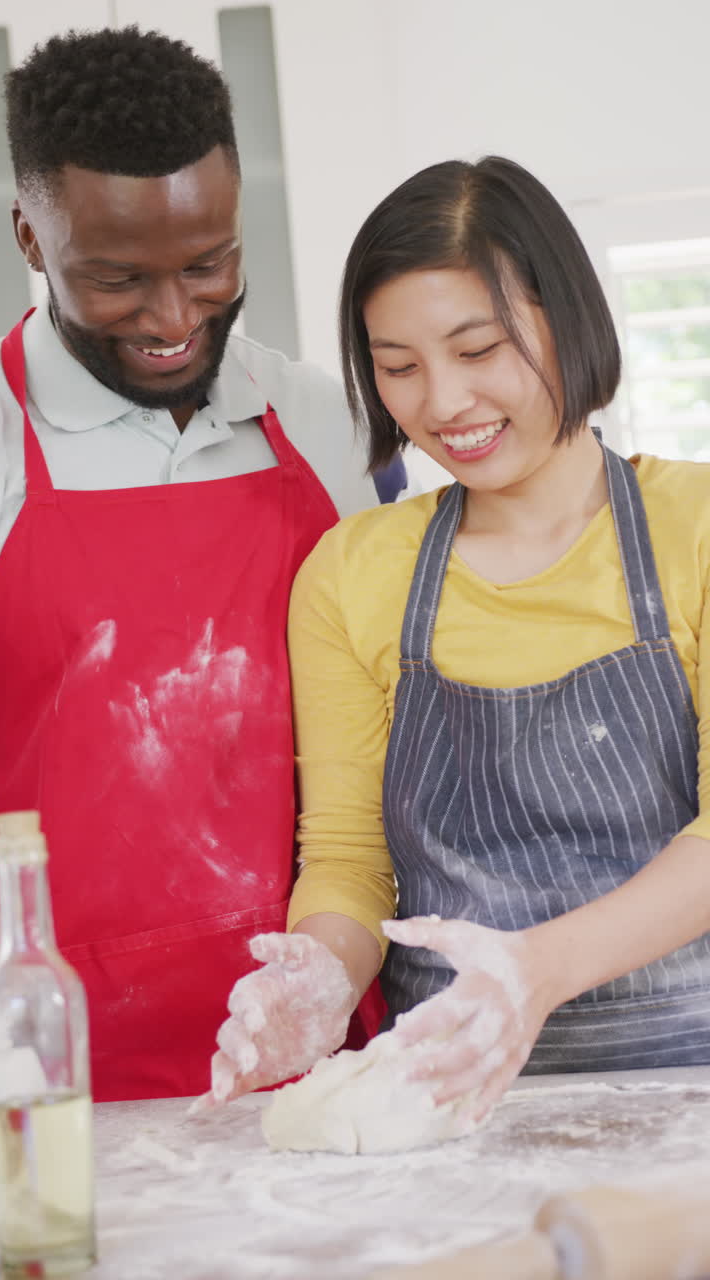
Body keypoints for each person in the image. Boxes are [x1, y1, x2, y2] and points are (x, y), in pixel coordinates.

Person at [207, 155, 710, 1120]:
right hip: (442, 1103)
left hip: (689, 1081)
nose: (442, 404)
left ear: (568, 315)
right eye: (398, 367)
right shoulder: (353, 573)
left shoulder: (693, 528)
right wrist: (317, 977)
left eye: (478, 350)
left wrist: (532, 972)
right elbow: (351, 862)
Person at [0, 25, 402, 1103]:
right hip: (47, 1066)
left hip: (319, 1045)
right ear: (32, 237)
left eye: (209, 263)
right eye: (119, 279)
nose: (174, 318)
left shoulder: (320, 418)